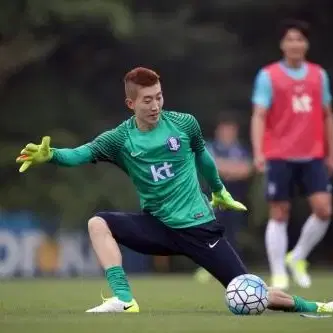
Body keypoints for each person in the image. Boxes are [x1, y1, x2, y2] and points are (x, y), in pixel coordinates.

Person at [17, 67, 333, 314]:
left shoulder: (184, 124)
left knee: (254, 292)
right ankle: (124, 300)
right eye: (147, 100)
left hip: (199, 229)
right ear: (131, 103)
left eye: (159, 97)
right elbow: (81, 154)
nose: (155, 105)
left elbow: (204, 158)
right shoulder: (119, 139)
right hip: (158, 226)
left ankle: (315, 306)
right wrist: (53, 156)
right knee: (98, 223)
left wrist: (219, 190)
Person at [251, 19, 333, 290]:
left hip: (312, 154)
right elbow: (259, 115)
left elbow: (327, 115)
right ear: (282, 44)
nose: (295, 44)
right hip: (280, 154)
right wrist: (258, 151)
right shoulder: (269, 76)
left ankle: (297, 256)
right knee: (279, 212)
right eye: (290, 39)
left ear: (306, 44)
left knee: (324, 209)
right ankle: (279, 274)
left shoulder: (318, 75)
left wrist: (330, 152)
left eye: (300, 39)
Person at [194, 118, 252, 283]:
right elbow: (210, 165)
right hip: (212, 197)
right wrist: (231, 168)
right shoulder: (210, 146)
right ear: (219, 130)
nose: (228, 133)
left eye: (231, 129)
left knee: (233, 233)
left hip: (236, 198)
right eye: (225, 129)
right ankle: (207, 267)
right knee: (210, 231)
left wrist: (225, 168)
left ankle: (234, 268)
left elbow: (247, 169)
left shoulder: (240, 149)